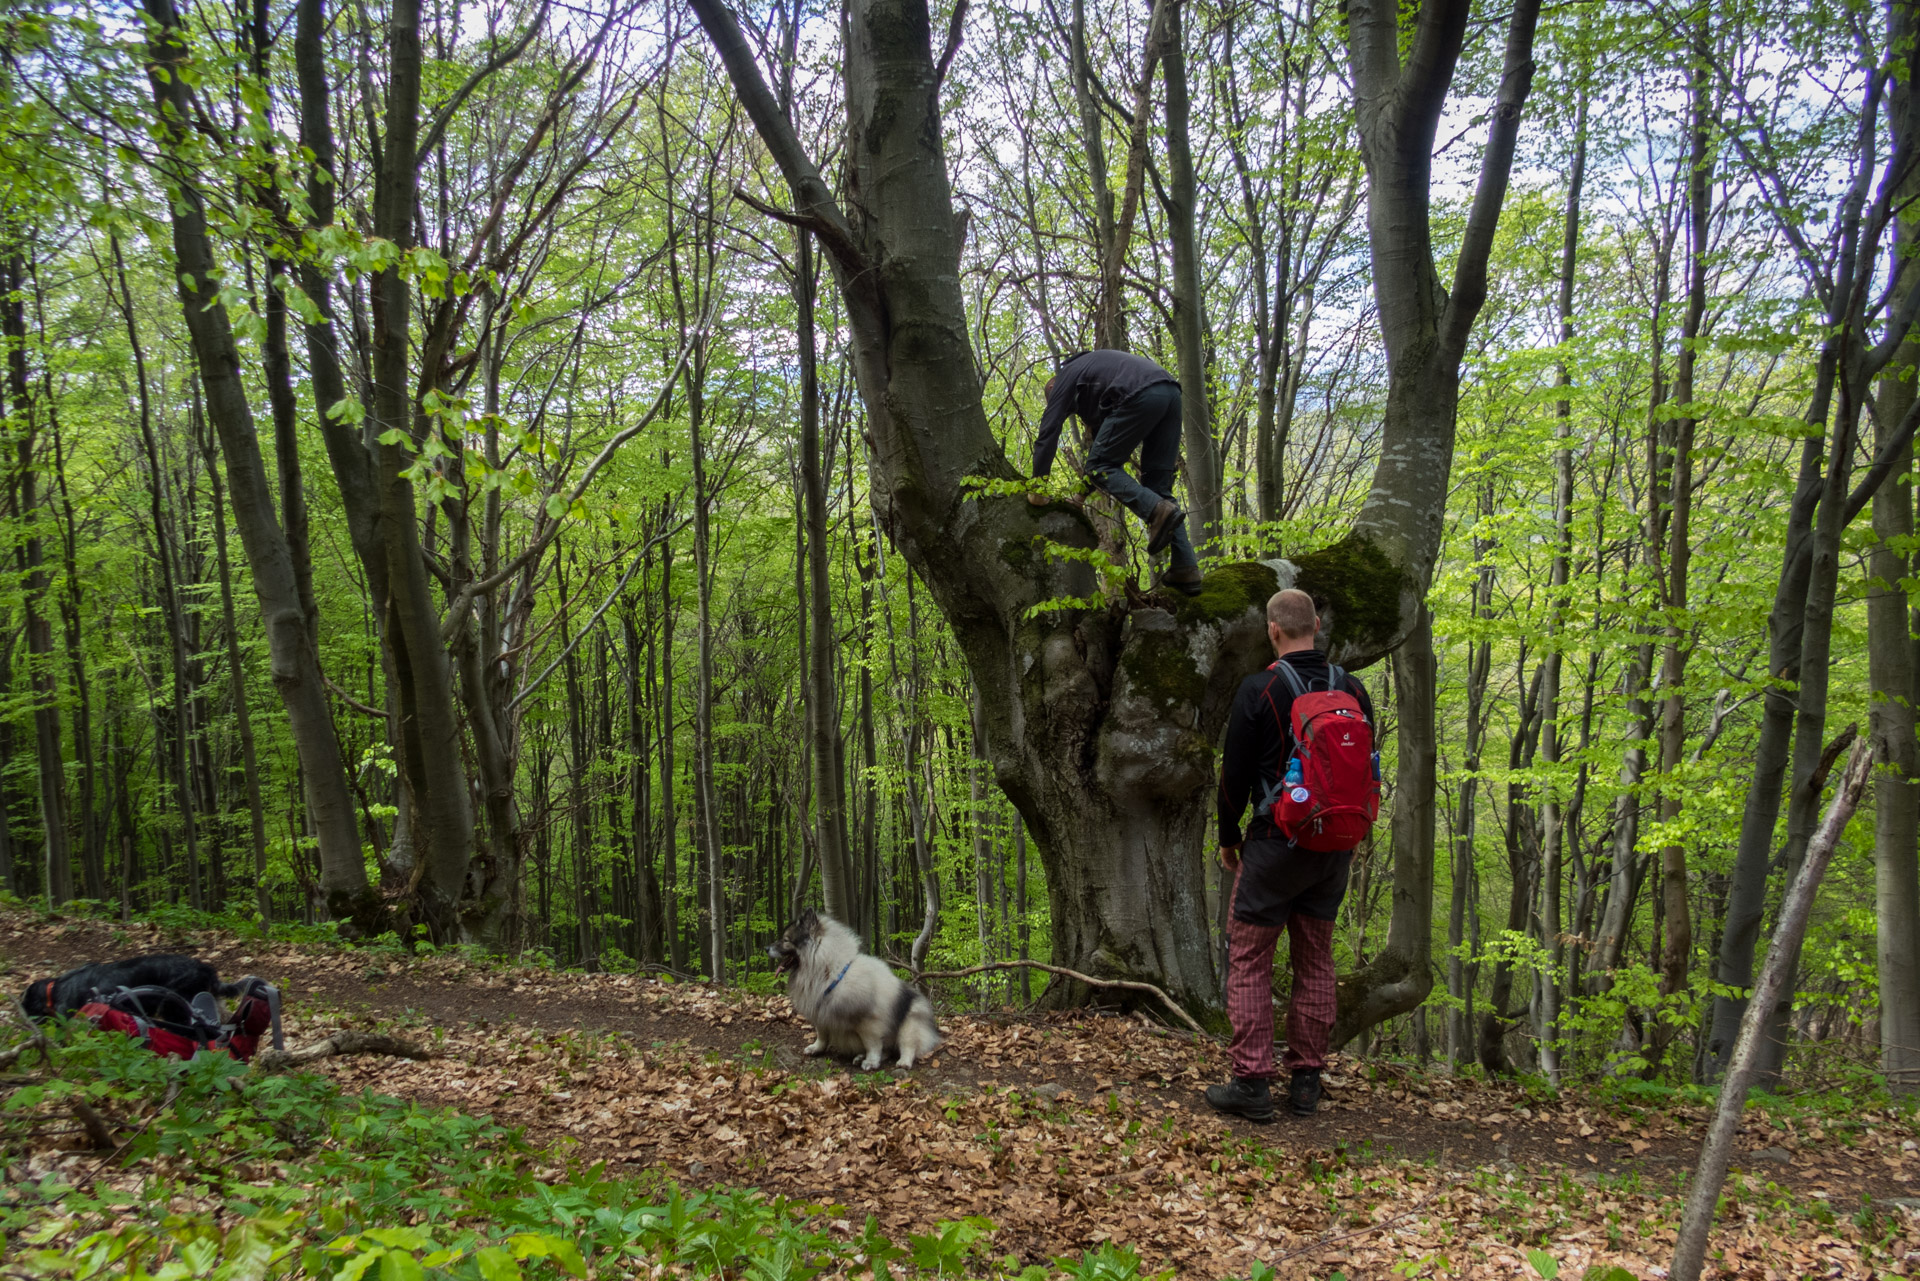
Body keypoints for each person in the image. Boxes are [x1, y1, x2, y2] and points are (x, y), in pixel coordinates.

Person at [1207, 588, 1375, 1122]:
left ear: (1273, 630)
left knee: (1250, 959)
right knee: (1316, 961)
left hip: (1274, 846)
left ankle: (1252, 1083)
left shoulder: (1260, 689)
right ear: (1317, 625)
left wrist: (1228, 836)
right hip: (1334, 847)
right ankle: (1306, 1081)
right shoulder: (1353, 688)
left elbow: (1233, 776)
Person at [1027, 349, 1201, 596]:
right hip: (1170, 392)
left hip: (1140, 393)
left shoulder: (1066, 375)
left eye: (1067, 406)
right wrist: (1079, 496)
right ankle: (1186, 568)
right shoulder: (1099, 381)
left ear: (1054, 387)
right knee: (1158, 491)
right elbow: (1100, 457)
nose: (1069, 412)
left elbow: (1049, 430)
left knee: (1150, 499)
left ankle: (1156, 511)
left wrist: (1038, 487)